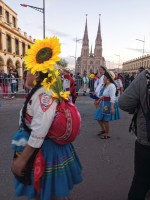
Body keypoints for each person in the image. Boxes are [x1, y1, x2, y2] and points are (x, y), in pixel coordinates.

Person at [11, 36, 82, 200]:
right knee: (44, 190)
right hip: (42, 147)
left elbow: (39, 130)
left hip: (45, 150)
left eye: (27, 71)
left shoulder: (44, 94)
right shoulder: (40, 91)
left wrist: (23, 158)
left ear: (35, 73)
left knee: (47, 191)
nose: (25, 75)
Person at [118, 69, 150, 200]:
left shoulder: (146, 77)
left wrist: (140, 109)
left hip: (147, 138)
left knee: (141, 180)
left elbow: (124, 103)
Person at [94, 71, 120, 139]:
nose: (103, 78)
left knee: (106, 120)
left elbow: (112, 97)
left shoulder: (112, 86)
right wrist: (99, 100)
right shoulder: (107, 85)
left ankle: (107, 133)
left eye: (105, 77)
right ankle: (103, 130)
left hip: (107, 104)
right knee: (98, 117)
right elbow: (104, 95)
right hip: (103, 103)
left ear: (108, 78)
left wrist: (112, 107)